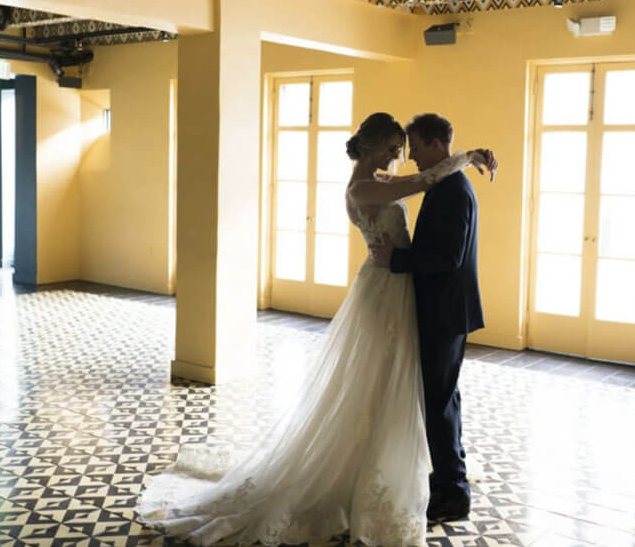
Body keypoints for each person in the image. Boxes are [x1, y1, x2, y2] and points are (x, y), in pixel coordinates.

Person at [138, 112, 496, 545]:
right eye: (393, 150)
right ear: (370, 147)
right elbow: (421, 184)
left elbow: (427, 196)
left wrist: (464, 158)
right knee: (390, 384)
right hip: (385, 290)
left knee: (415, 389)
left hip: (408, 293)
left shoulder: (387, 181)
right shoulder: (364, 188)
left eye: (407, 151)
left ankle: (425, 474)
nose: (401, 159)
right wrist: (467, 155)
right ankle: (396, 475)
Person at [370, 113, 491, 522]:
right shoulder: (447, 181)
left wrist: (396, 259)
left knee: (439, 403)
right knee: (442, 400)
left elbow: (447, 257)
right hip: (442, 308)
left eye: (417, 148)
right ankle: (447, 481)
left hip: (445, 310)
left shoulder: (455, 190)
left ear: (437, 145)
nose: (413, 157)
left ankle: (454, 493)